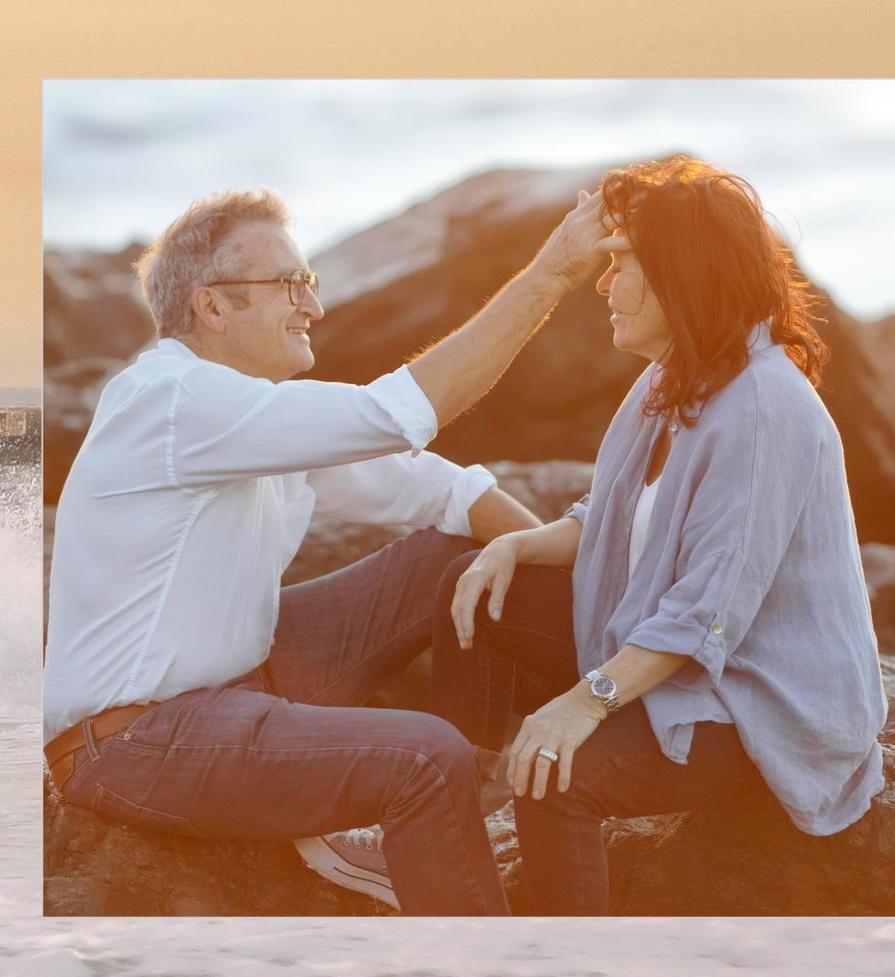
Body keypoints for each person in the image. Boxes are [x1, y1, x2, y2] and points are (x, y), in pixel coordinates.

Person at [41, 186, 622, 914]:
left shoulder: (255, 416)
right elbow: (396, 413)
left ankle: (460, 804)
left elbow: (447, 495)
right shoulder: (173, 401)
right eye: (290, 287)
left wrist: (617, 628)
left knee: (449, 560)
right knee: (421, 757)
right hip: (134, 743)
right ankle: (489, 963)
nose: (313, 307)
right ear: (212, 308)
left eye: (309, 283)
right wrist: (551, 274)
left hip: (239, 685)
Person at [434, 156, 888, 914]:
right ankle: (471, 791)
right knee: (459, 581)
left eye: (619, 265)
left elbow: (710, 611)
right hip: (675, 657)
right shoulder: (671, 380)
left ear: (681, 273)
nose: (602, 286)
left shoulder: (765, 408)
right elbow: (618, 517)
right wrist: (516, 545)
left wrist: (583, 703)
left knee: (556, 777)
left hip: (756, 700)